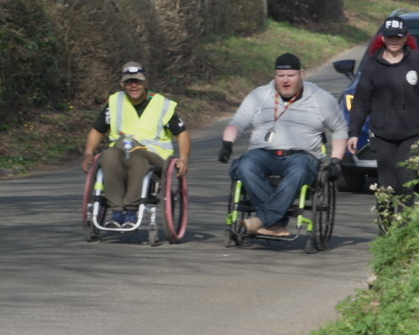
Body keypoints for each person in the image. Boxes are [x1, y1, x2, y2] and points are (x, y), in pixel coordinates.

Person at [218, 53, 347, 237]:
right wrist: (227, 143)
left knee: (299, 169)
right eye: (281, 76)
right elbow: (237, 123)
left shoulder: (320, 98)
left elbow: (340, 129)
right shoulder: (259, 95)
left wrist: (335, 160)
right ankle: (275, 223)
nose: (285, 80)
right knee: (245, 165)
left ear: (301, 74)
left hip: (302, 156)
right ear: (275, 76)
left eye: (291, 76)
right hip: (263, 153)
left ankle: (261, 220)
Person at [346, 15, 419, 221]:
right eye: (390, 36)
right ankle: (386, 228)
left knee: (407, 183)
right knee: (387, 186)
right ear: (383, 38)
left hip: (412, 133)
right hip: (383, 135)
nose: (394, 40)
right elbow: (361, 101)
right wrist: (354, 132)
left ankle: (405, 230)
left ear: (405, 38)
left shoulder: (417, 61)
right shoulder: (373, 66)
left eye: (398, 37)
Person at [81, 61, 191, 228]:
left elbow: (182, 134)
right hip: (121, 153)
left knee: (138, 157)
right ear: (122, 84)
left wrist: (183, 159)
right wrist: (89, 153)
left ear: (145, 82)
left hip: (154, 156)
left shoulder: (162, 105)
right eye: (129, 82)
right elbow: (97, 130)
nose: (133, 86)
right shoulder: (115, 102)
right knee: (108, 155)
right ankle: (117, 211)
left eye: (137, 81)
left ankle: (131, 210)